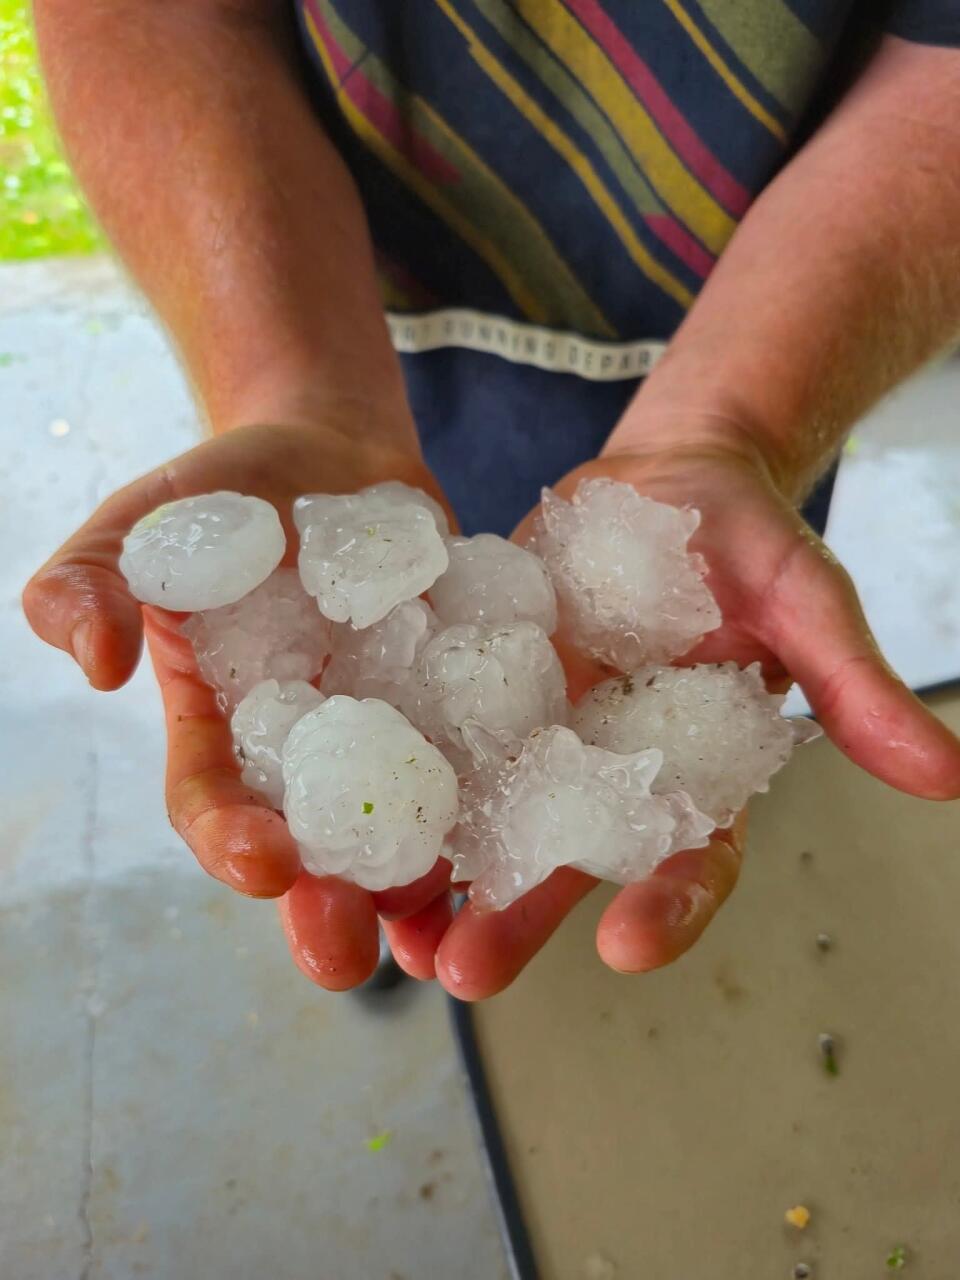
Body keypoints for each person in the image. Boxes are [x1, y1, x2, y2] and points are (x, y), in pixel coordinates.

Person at [22, 0, 960, 999]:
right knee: (397, 839)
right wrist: (289, 380)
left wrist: (736, 427)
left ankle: (431, 897)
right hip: (343, 289)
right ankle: (395, 904)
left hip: (783, 306)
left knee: (704, 617)